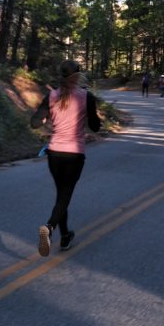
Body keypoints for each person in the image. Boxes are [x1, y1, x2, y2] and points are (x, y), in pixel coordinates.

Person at [30, 60, 102, 256]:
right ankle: (49, 227)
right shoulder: (86, 96)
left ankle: (65, 237)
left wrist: (45, 118)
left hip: (54, 153)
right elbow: (95, 126)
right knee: (64, 196)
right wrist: (93, 120)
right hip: (74, 153)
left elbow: (34, 123)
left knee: (61, 196)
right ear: (77, 76)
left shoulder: (51, 95)